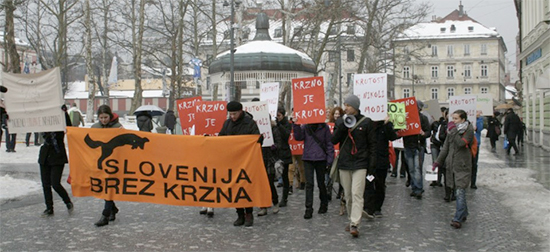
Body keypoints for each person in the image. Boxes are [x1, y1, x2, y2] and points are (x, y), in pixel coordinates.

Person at [331, 95, 374, 237]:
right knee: (348, 195)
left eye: (348, 105)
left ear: (355, 106)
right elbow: (334, 140)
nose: (345, 107)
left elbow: (371, 145)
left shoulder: (366, 122)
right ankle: (351, 219)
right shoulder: (340, 122)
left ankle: (355, 223)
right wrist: (342, 125)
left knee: (357, 194)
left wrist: (370, 165)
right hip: (345, 163)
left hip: (360, 163)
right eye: (345, 104)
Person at [219, 101, 262, 227]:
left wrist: (258, 139)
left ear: (241, 111)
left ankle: (249, 214)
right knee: (235, 188)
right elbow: (221, 138)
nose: (232, 116)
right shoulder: (227, 124)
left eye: (234, 114)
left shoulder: (249, 123)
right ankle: (239, 214)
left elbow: (256, 139)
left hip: (246, 162)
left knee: (245, 188)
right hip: (232, 161)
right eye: (230, 114)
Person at [433, 109, 475, 229]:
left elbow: (461, 143)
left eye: (456, 118)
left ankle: (457, 218)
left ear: (463, 119)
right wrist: (438, 162)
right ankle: (464, 213)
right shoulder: (451, 131)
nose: (454, 121)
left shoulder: (468, 130)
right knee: (458, 190)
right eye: (453, 118)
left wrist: (454, 131)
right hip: (451, 165)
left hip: (463, 165)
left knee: (460, 191)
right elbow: (445, 148)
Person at [293, 121, 334, 219]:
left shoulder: (324, 127)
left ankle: (323, 204)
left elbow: (329, 143)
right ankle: (308, 208)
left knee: (321, 183)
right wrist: (296, 125)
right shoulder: (305, 126)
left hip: (321, 158)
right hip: (308, 158)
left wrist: (329, 160)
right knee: (309, 184)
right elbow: (298, 137)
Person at [92, 104, 124, 227]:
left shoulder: (118, 127)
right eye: (101, 117)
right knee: (105, 187)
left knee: (109, 187)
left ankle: (105, 215)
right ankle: (113, 208)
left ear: (110, 116)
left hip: (114, 163)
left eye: (105, 117)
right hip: (101, 163)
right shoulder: (95, 127)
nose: (103, 120)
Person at [39, 105, 74, 216]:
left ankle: (67, 201)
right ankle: (49, 208)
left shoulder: (59, 122)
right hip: (45, 155)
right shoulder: (42, 121)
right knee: (45, 184)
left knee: (55, 183)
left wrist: (64, 113)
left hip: (57, 154)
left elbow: (69, 127)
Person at [363, 116, 398, 218]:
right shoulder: (366, 123)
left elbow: (393, 137)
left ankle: (378, 207)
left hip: (381, 160)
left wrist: (387, 125)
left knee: (380, 185)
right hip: (368, 160)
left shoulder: (385, 125)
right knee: (368, 185)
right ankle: (368, 207)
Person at [403, 100, 431, 199]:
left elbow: (428, 132)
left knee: (417, 168)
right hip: (408, 146)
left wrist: (423, 133)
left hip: (419, 147)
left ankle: (418, 189)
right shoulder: (405, 118)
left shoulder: (423, 118)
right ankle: (414, 187)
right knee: (411, 169)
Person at [274, 106, 292, 208]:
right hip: (275, 152)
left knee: (285, 176)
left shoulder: (286, 124)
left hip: (284, 153)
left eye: (279, 116)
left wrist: (278, 124)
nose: (277, 117)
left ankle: (284, 198)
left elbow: (286, 135)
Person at [429, 107, 448, 187]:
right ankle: (434, 180)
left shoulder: (446, 123)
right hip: (434, 143)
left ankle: (440, 180)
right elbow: (430, 129)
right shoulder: (436, 121)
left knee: (441, 162)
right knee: (435, 161)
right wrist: (432, 122)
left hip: (442, 144)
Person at [471, 111, 483, 189]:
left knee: (474, 164)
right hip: (465, 144)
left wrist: (477, 119)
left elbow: (479, 129)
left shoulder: (479, 120)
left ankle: (473, 182)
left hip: (475, 144)